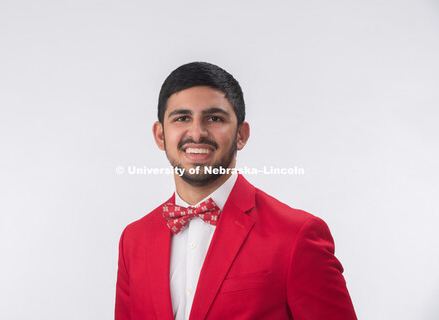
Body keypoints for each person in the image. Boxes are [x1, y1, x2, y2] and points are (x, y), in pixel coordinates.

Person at [114, 62, 357, 320]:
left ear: (241, 135)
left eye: (215, 118)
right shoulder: (133, 240)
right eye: (182, 118)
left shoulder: (296, 235)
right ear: (160, 135)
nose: (197, 133)